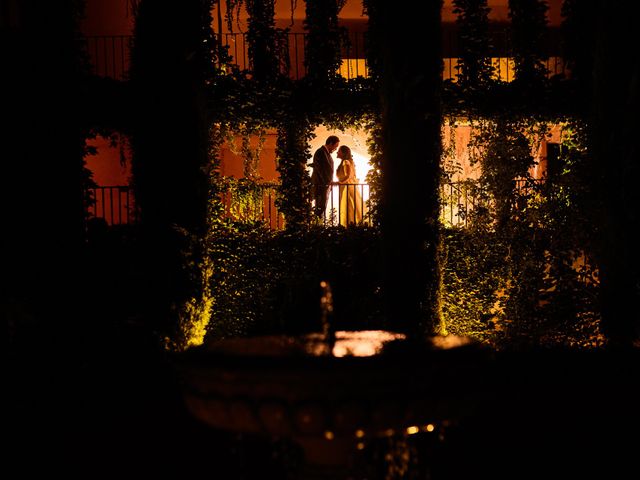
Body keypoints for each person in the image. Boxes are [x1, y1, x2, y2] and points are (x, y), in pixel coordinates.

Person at [311, 135, 340, 219]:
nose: (335, 149)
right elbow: (320, 170)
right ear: (330, 143)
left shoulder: (325, 153)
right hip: (320, 185)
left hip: (324, 185)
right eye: (335, 146)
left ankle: (319, 224)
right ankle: (317, 226)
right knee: (320, 207)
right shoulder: (320, 152)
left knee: (322, 207)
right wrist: (328, 181)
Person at [335, 145, 364, 226]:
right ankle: (354, 225)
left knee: (348, 207)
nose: (337, 152)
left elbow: (348, 176)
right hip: (348, 187)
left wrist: (340, 183)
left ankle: (348, 226)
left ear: (343, 153)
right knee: (352, 207)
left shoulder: (346, 162)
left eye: (339, 151)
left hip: (347, 188)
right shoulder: (349, 161)